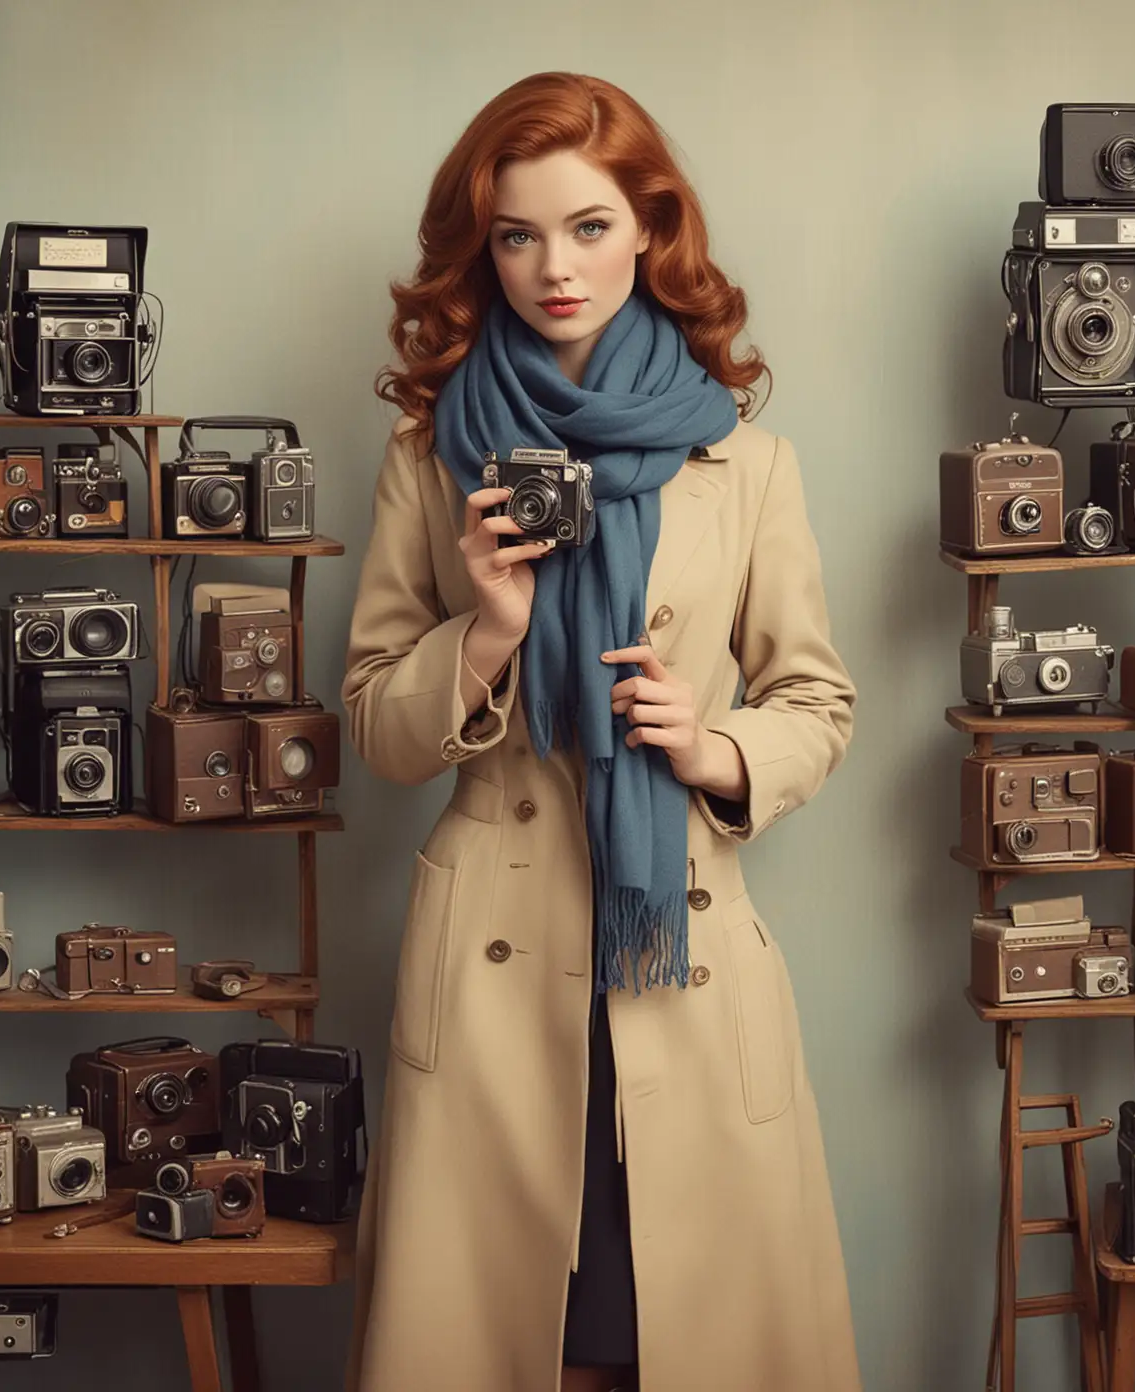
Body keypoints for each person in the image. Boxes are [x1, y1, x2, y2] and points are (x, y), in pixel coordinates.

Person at [341, 72, 860, 1392]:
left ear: (648, 228)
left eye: (586, 228)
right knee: (514, 1340)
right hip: (498, 976)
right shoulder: (431, 451)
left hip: (672, 949)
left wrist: (712, 748)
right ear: (481, 248)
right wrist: (490, 634)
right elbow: (378, 731)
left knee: (675, 1345)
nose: (552, 268)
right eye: (516, 236)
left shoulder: (745, 461)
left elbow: (816, 701)